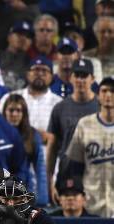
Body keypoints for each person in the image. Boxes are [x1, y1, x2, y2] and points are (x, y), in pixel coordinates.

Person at [47, 58, 99, 202]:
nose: (80, 80)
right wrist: (50, 181)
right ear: (70, 78)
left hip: (95, 171)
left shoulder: (102, 107)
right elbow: (52, 147)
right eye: (77, 75)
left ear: (93, 79)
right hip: (67, 172)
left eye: (84, 76)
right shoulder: (60, 108)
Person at [63, 76, 114, 217]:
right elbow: (74, 166)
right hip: (91, 204)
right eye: (104, 91)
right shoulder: (84, 124)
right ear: (98, 96)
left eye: (112, 91)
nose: (109, 95)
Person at [0, 57, 61, 147]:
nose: (39, 74)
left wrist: (50, 138)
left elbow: (65, 137)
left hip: (47, 156)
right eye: (35, 70)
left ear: (51, 77)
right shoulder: (9, 98)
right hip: (14, 153)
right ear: (27, 74)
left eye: (44, 71)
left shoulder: (59, 103)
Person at [2, 94, 48, 207]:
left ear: (24, 113)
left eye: (18, 110)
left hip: (24, 192)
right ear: (5, 112)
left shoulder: (32, 135)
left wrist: (43, 198)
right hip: (0, 192)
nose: (14, 114)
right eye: (11, 110)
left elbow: (40, 167)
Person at [0, 21, 33, 91]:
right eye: (19, 34)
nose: (23, 38)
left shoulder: (32, 66)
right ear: (9, 37)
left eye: (28, 36)